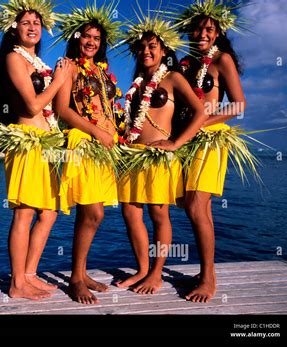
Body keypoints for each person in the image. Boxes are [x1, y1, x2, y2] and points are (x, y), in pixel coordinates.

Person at [114, 13, 207, 295]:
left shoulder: (174, 78)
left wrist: (176, 143)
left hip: (159, 157)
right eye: (141, 47)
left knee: (158, 213)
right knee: (130, 212)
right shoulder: (136, 84)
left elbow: (200, 113)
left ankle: (156, 273)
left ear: (164, 50)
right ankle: (142, 269)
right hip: (133, 155)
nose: (146, 51)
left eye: (152, 46)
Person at [0, 0, 71, 300]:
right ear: (14, 28)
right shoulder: (13, 59)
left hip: (46, 145)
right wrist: (59, 81)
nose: (32, 27)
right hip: (26, 142)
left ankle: (29, 274)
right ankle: (16, 283)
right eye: (25, 22)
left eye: (36, 22)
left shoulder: (40, 64)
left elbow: (53, 109)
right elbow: (34, 104)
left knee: (48, 213)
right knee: (24, 214)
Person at [175, 0, 248, 302]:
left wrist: (204, 123)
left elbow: (239, 104)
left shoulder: (222, 60)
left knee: (196, 206)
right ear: (190, 31)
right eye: (198, 28)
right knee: (194, 207)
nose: (203, 33)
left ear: (217, 33)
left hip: (209, 139)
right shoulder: (185, 63)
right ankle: (206, 272)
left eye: (209, 29)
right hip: (186, 140)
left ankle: (209, 279)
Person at [53, 2, 123, 304]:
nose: (91, 41)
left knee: (92, 214)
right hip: (85, 141)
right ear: (77, 38)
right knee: (92, 212)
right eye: (86, 36)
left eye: (96, 38)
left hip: (106, 147)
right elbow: (62, 108)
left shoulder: (103, 71)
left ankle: (80, 273)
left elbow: (111, 109)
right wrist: (96, 131)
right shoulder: (69, 65)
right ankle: (74, 278)